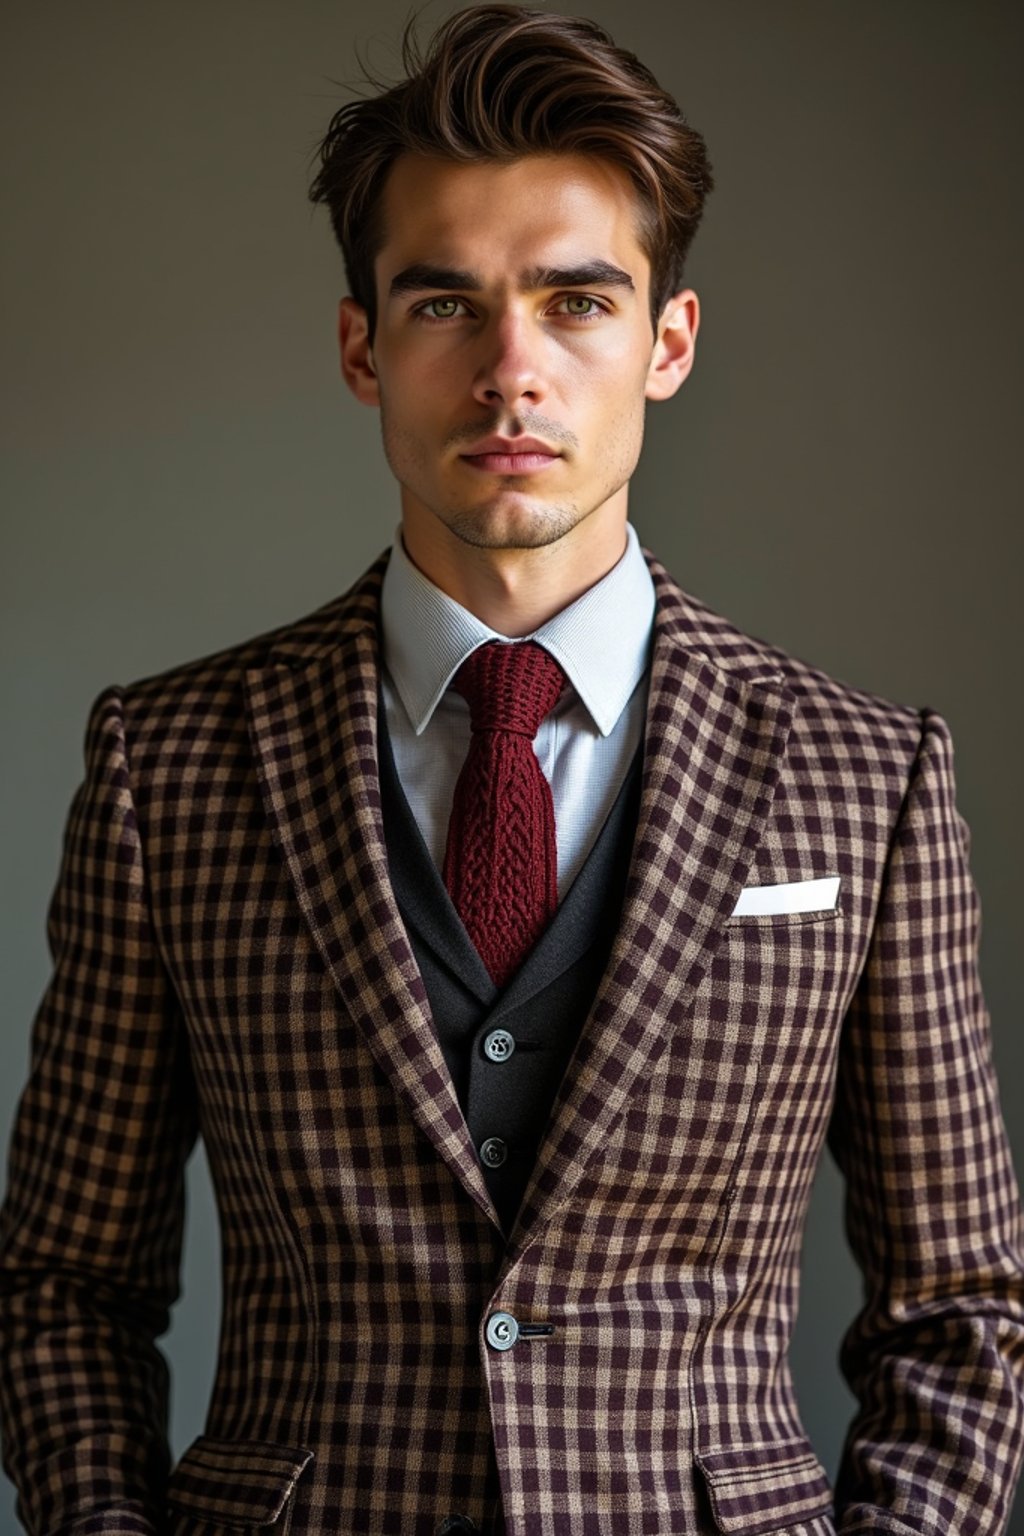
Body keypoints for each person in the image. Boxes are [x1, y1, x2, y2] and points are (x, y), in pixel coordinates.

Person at [1, 5, 1022, 1533]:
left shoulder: (862, 779)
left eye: (577, 301)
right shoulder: (176, 766)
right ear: (362, 346)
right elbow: (64, 1284)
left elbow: (962, 1310)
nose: (510, 372)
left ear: (667, 342)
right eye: (443, 306)